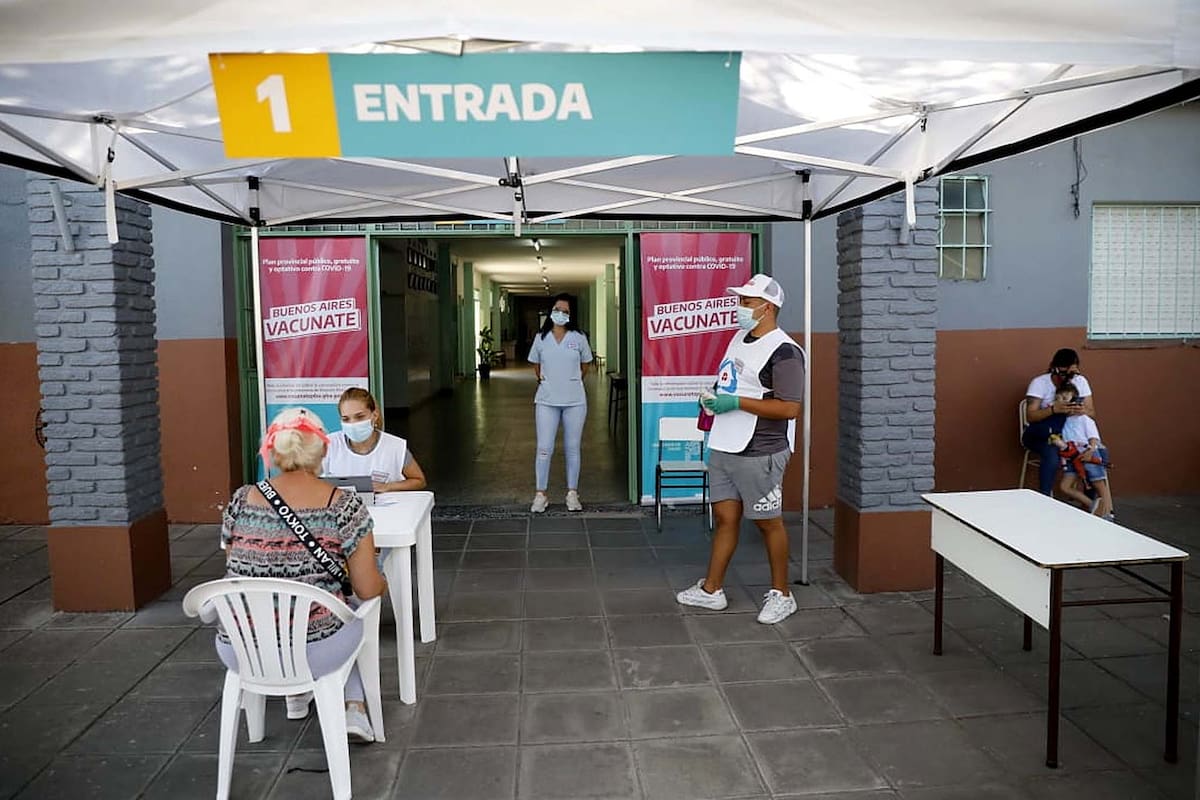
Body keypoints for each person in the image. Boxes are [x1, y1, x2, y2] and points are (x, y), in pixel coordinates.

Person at [217, 407, 388, 742]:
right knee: (350, 605)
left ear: (271, 451)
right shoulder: (342, 506)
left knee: (295, 600)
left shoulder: (240, 499)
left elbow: (238, 566)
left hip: (240, 648)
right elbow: (368, 590)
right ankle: (354, 707)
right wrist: (381, 579)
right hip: (314, 649)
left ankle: (296, 697)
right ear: (324, 450)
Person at [676, 274, 806, 625]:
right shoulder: (738, 338)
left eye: (747, 302)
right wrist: (715, 397)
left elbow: (790, 408)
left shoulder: (785, 352)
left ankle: (782, 595)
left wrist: (735, 402)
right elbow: (732, 381)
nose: (740, 308)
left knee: (767, 524)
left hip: (760, 450)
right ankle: (711, 590)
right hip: (724, 445)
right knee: (725, 519)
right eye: (741, 300)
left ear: (768, 308)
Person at [528, 293, 594, 513]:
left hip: (575, 400)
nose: (561, 314)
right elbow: (536, 364)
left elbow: (585, 364)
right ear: (551, 311)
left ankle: (572, 493)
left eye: (565, 311)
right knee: (544, 448)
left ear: (571, 314)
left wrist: (572, 381)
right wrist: (545, 380)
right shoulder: (541, 337)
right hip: (546, 400)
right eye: (558, 309)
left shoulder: (579, 337)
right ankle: (540, 494)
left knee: (572, 448)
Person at [322, 387, 427, 504]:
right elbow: (310, 479)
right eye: (346, 419)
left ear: (374, 415)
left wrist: (387, 487)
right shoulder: (329, 444)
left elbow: (419, 481)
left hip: (389, 512)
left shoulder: (395, 446)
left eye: (360, 417)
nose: (353, 424)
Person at [1022, 348, 1096, 495]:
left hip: (1072, 433)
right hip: (1043, 434)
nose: (1068, 378)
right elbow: (1030, 416)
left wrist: (1080, 410)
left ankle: (1092, 502)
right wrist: (1053, 410)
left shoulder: (1080, 382)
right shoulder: (1040, 383)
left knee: (1093, 452)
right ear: (1054, 368)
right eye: (1064, 373)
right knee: (1052, 453)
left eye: (1073, 373)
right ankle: (1045, 497)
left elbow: (1092, 413)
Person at [1050, 384, 1114, 518]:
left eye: (1065, 398)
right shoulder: (1062, 421)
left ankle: (1108, 513)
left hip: (1087, 453)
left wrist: (1090, 451)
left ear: (1076, 401)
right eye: (1058, 398)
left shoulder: (1084, 419)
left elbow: (1093, 438)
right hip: (1072, 457)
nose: (1061, 401)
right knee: (1065, 487)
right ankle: (1093, 506)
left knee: (1099, 483)